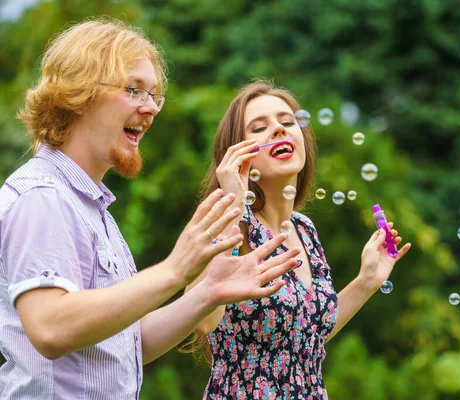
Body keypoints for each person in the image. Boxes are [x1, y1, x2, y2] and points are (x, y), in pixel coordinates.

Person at [0, 19, 299, 399]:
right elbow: (50, 328)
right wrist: (176, 270)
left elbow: (127, 347)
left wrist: (206, 293)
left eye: (154, 95)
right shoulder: (42, 196)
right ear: (79, 93)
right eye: (134, 90)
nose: (152, 108)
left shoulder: (93, 210)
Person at [182, 79, 412, 399]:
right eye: (259, 128)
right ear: (236, 153)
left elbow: (306, 336)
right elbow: (203, 322)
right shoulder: (228, 223)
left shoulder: (304, 229)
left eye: (288, 122)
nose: (279, 129)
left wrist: (367, 280)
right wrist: (232, 204)